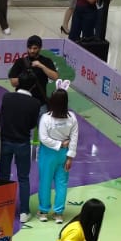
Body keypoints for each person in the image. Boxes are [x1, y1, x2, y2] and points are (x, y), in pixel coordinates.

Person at [0, 82, 43, 224]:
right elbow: (33, 124)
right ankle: (24, 211)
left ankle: (2, 208)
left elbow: (3, 116)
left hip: (5, 141)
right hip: (23, 143)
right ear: (32, 87)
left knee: (3, 176)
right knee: (23, 178)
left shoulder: (7, 97)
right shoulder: (35, 103)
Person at [35, 87, 79, 224]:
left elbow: (43, 138)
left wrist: (58, 144)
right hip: (64, 155)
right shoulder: (72, 118)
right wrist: (70, 156)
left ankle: (43, 212)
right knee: (62, 183)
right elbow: (74, 138)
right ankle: (58, 214)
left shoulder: (46, 118)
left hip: (48, 154)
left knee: (45, 181)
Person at [8, 35, 58, 100]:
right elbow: (13, 83)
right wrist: (24, 78)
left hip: (39, 100)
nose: (32, 51)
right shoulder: (19, 62)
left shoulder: (46, 61)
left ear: (40, 48)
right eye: (29, 48)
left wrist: (42, 66)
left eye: (35, 48)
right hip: (22, 98)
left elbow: (55, 77)